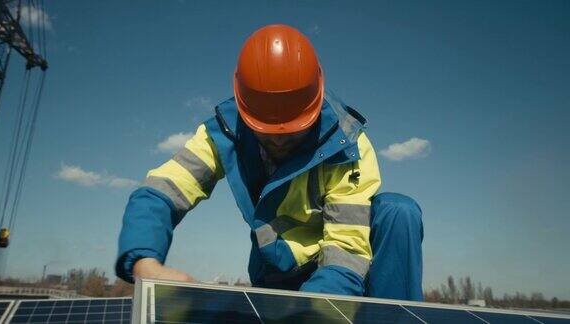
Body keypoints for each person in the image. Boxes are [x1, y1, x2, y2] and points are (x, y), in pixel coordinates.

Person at [116, 24, 424, 300]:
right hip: (278, 272)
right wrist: (145, 262)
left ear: (314, 106)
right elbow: (162, 190)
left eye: (292, 132)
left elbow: (346, 251)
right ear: (244, 109)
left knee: (398, 212)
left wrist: (313, 310)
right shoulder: (225, 132)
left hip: (337, 279)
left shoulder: (347, 147)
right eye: (266, 131)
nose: (278, 140)